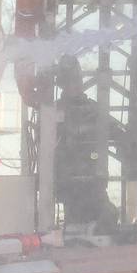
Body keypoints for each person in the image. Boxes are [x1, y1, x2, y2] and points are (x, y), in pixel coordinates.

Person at [53, 56, 119, 230]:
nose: (74, 85)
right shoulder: (53, 112)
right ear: (62, 84)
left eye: (76, 81)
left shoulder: (94, 109)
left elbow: (115, 131)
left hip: (92, 179)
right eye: (69, 81)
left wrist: (128, 140)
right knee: (75, 223)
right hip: (68, 182)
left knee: (108, 214)